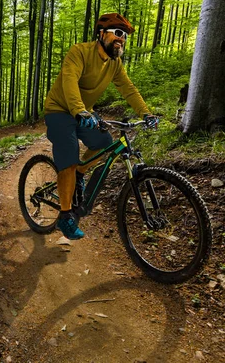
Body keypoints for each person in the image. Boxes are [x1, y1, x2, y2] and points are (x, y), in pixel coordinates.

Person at [43, 13, 158, 240]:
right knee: (69, 154)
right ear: (101, 34)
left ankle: (80, 172)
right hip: (60, 109)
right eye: (117, 33)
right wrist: (79, 110)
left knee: (104, 141)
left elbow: (128, 89)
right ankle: (65, 216)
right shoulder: (79, 52)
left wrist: (146, 114)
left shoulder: (115, 63)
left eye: (124, 35)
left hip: (83, 111)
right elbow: (69, 80)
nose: (121, 39)